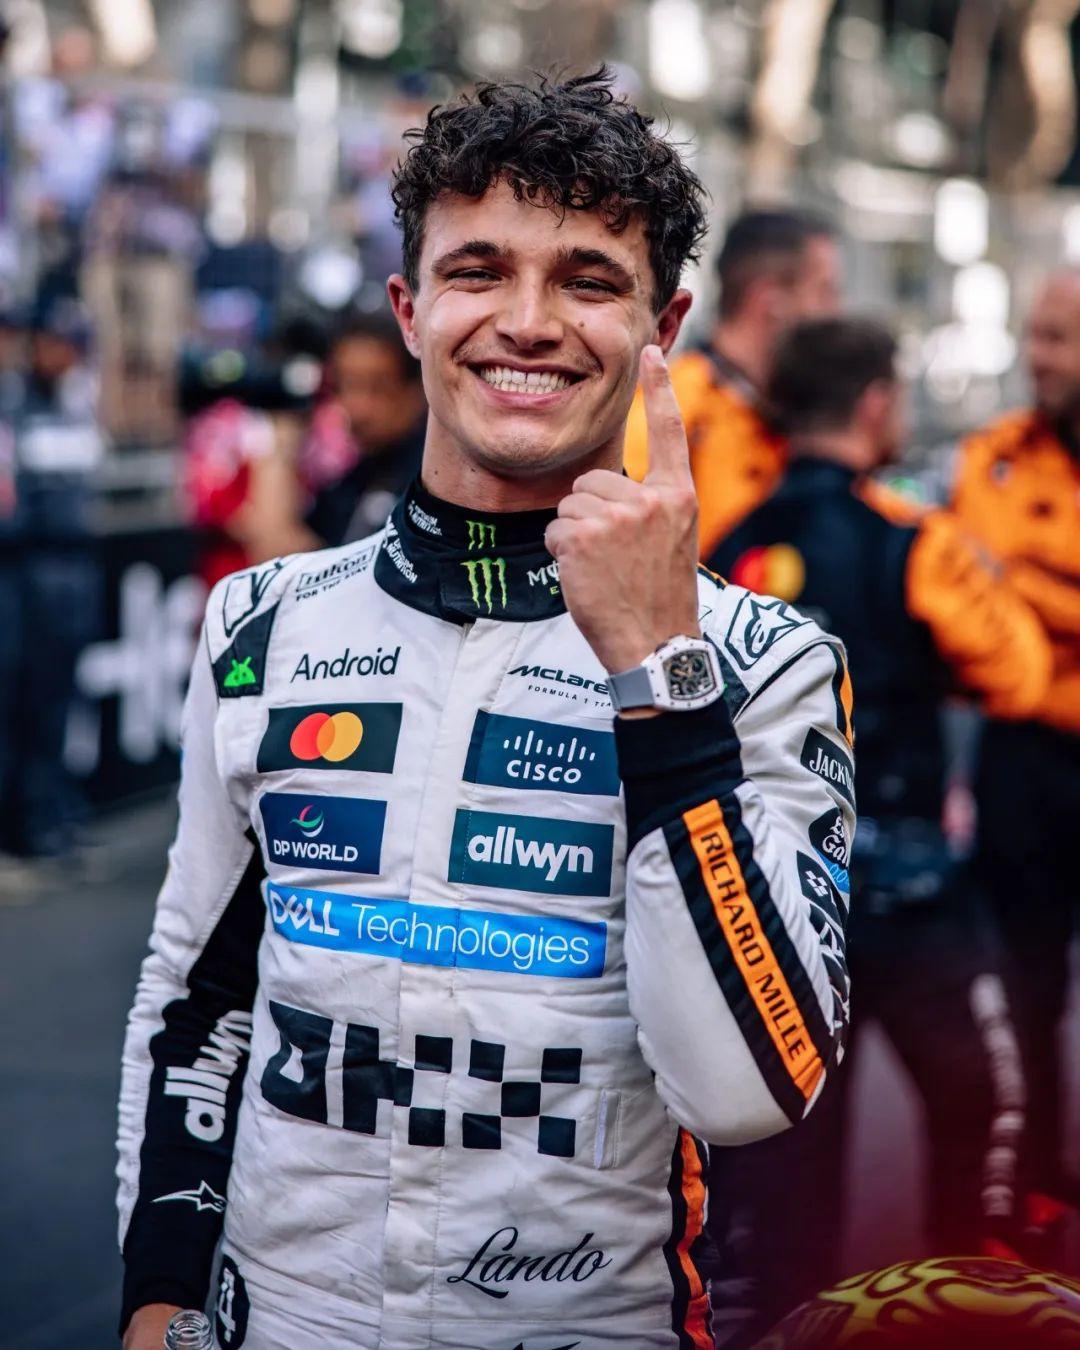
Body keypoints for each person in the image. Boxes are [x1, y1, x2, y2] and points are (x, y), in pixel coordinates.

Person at [117, 70, 854, 1350]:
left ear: (664, 326)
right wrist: (157, 1297)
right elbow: (198, 998)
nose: (526, 322)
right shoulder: (265, 623)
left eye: (587, 280)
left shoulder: (762, 659)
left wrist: (660, 674)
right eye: (477, 271)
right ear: (411, 309)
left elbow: (748, 1089)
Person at [708, 318, 1050, 1347]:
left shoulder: (730, 542)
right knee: (988, 1105)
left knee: (781, 1156)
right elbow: (1018, 674)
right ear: (874, 404)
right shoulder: (915, 540)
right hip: (908, 892)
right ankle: (969, 1314)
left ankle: (786, 1318)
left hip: (775, 897)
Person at [951, 268, 1080, 1262]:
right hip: (1023, 758)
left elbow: (1008, 590)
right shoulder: (990, 459)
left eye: (1060, 339)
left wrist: (1031, 590)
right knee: (1025, 982)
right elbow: (976, 595)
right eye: (1036, 336)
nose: (1039, 358)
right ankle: (1034, 1180)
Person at [624, 208, 841, 556]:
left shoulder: (785, 418)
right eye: (824, 291)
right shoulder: (674, 408)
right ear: (769, 301)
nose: (835, 313)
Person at [0, 292, 103, 865]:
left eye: (72, 344)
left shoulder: (79, 402)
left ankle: (54, 813)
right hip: (28, 570)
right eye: (54, 342)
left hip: (76, 569)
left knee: (62, 699)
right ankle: (23, 826)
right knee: (24, 700)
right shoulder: (13, 407)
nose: (63, 354)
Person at [304, 311, 427, 547]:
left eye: (378, 388)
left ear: (417, 389)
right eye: (346, 386)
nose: (358, 408)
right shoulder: (350, 482)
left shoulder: (433, 489)